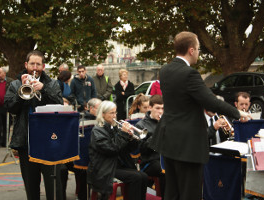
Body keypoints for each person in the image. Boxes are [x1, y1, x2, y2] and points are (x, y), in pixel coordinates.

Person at [150, 31, 251, 200]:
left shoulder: (165, 70)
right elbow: (210, 101)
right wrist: (238, 112)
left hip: (169, 139)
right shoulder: (189, 74)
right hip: (188, 144)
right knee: (190, 193)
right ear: (191, 50)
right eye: (198, 49)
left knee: (173, 192)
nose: (198, 53)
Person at [4, 50, 64, 200]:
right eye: (32, 64)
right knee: (31, 186)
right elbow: (10, 107)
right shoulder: (16, 84)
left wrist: (43, 88)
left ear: (43, 66)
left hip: (49, 141)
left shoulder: (51, 83)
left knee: (53, 184)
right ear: (26, 65)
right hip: (26, 142)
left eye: (38, 64)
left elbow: (59, 104)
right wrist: (21, 92)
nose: (35, 68)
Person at [87, 101, 147, 200]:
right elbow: (111, 149)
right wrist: (123, 134)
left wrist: (131, 138)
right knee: (136, 177)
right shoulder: (97, 130)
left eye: (115, 112)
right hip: (104, 167)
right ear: (103, 114)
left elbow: (127, 150)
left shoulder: (113, 128)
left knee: (143, 176)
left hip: (115, 164)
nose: (115, 116)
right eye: (111, 113)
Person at [135, 95, 165, 199]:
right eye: (157, 108)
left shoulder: (167, 122)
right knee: (166, 171)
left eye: (162, 108)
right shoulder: (141, 125)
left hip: (164, 158)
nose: (160, 111)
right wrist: (159, 131)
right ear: (150, 107)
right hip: (150, 162)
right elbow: (144, 150)